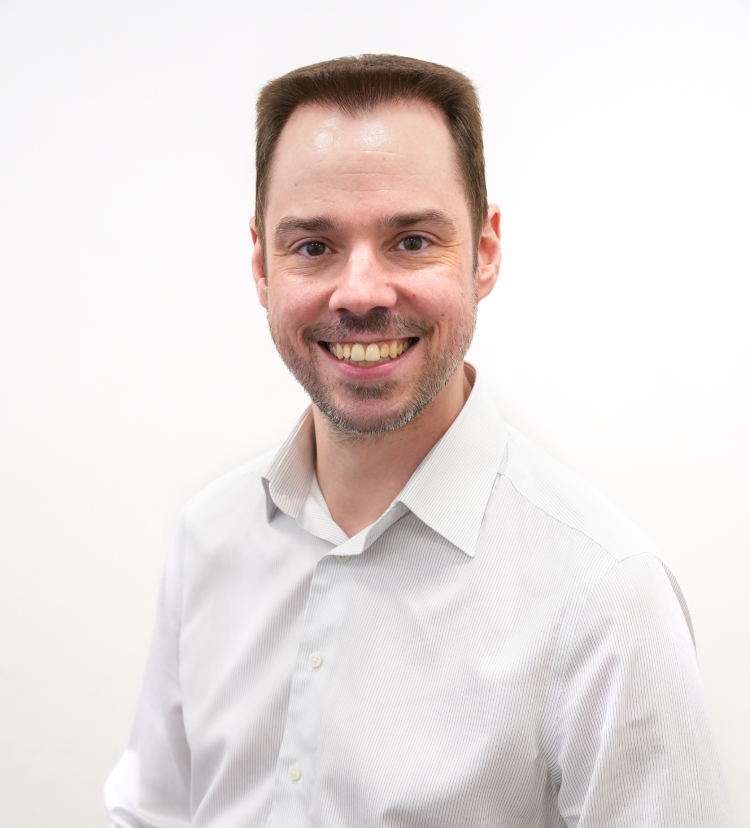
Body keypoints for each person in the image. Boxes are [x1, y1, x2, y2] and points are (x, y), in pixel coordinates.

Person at [105, 54, 732, 827]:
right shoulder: (207, 538)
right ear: (262, 266)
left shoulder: (604, 597)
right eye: (313, 246)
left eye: (410, 240)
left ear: (485, 252)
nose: (361, 293)